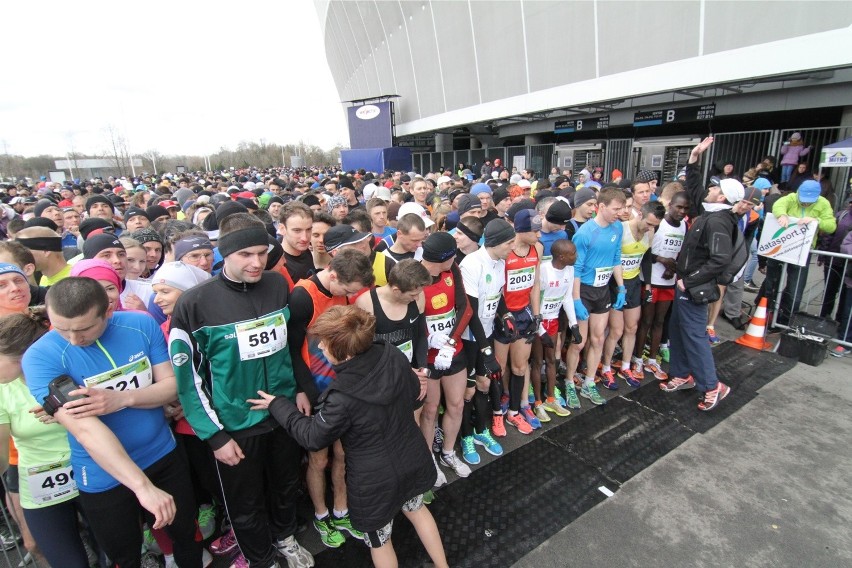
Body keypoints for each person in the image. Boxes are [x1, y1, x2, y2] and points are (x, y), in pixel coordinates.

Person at [21, 277, 204, 568]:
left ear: (108, 310)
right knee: (124, 556)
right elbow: (85, 430)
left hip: (162, 454)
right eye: (61, 328)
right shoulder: (40, 356)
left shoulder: (140, 325)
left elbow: (172, 387)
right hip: (102, 475)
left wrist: (122, 399)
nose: (72, 339)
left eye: (83, 329)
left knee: (186, 535)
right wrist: (142, 486)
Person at [248, 305, 449, 568]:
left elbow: (312, 437)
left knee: (379, 540)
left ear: (344, 352)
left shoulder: (340, 397)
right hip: (411, 456)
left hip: (374, 480)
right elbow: (413, 394)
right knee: (418, 510)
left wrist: (279, 405)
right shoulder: (392, 354)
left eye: (325, 343)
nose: (319, 346)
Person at [168, 213, 313, 568]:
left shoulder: (278, 286)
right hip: (234, 422)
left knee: (285, 486)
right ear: (225, 254)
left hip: (281, 412)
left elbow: (288, 346)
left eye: (262, 253)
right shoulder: (195, 303)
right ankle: (261, 559)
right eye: (245, 254)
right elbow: (190, 381)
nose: (256, 262)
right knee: (244, 503)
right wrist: (214, 436)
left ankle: (285, 538)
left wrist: (298, 390)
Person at [287, 249, 374, 549]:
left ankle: (341, 510)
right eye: (349, 290)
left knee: (343, 453)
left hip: (343, 387)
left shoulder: (345, 290)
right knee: (318, 458)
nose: (352, 296)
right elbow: (291, 348)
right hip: (316, 389)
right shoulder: (302, 296)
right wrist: (305, 390)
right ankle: (321, 515)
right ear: (333, 275)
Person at [660, 179, 755, 411]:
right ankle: (682, 374)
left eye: (715, 188)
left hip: (693, 288)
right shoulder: (712, 214)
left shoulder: (718, 221)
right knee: (678, 330)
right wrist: (695, 159)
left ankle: (712, 387)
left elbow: (720, 259)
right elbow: (694, 189)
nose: (710, 190)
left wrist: (689, 281)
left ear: (721, 197)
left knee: (694, 336)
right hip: (686, 285)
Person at [569, 188, 628, 407]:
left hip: (603, 289)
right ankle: (568, 382)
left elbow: (615, 259)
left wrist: (621, 287)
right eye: (615, 209)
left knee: (598, 339)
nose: (619, 213)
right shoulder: (585, 233)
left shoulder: (618, 227)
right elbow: (576, 268)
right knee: (579, 342)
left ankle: (590, 382)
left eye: (622, 208)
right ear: (601, 207)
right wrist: (575, 299)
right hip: (583, 290)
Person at [635, 192, 689, 380]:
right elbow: (645, 254)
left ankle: (652, 360)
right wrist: (662, 260)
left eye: (685, 208)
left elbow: (682, 252)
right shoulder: (658, 225)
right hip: (651, 280)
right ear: (670, 205)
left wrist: (673, 267)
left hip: (668, 280)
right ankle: (638, 359)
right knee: (646, 321)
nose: (681, 212)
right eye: (678, 207)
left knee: (660, 321)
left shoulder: (684, 226)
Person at [769, 179, 837, 324]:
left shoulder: (823, 203)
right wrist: (782, 214)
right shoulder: (791, 197)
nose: (805, 203)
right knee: (771, 283)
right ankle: (766, 315)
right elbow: (778, 205)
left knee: (796, 289)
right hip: (781, 247)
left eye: (809, 201)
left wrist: (816, 220)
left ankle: (785, 321)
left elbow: (831, 226)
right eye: (803, 200)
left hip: (803, 251)